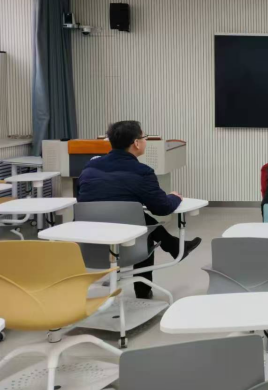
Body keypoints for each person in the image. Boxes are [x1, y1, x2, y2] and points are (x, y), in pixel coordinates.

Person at [77, 121, 201, 300]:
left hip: (89, 243)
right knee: (142, 229)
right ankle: (143, 293)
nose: (145, 141)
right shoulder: (142, 172)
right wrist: (175, 197)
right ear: (136, 143)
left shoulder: (90, 167)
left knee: (134, 214)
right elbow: (162, 208)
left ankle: (172, 245)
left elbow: (82, 198)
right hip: (128, 246)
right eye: (144, 137)